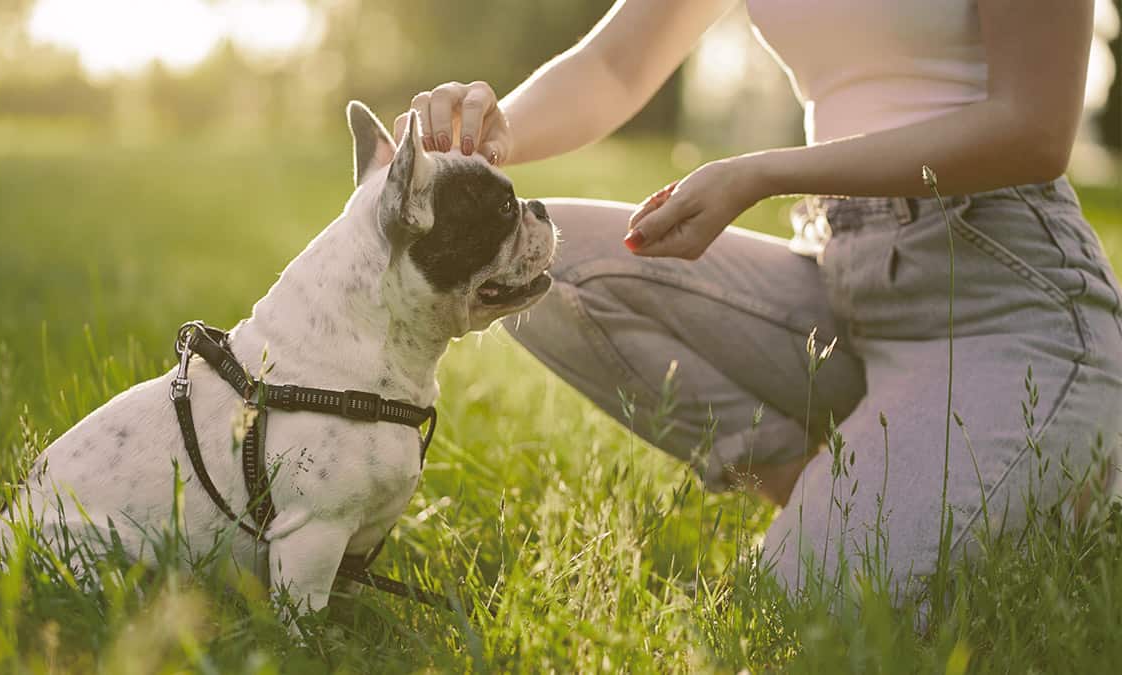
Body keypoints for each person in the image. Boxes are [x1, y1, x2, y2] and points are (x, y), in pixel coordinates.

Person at [398, 0, 1122, 594]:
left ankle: (1070, 474)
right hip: (844, 280)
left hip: (1008, 303)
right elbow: (615, 68)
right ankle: (803, 479)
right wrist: (485, 137)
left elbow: (1034, 126)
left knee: (791, 607)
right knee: (541, 271)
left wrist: (765, 173)